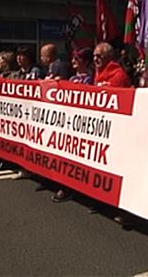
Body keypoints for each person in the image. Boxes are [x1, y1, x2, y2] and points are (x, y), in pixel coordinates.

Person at [51, 47, 95, 202]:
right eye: (73, 59)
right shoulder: (71, 79)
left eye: (77, 59)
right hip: (69, 122)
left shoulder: (91, 79)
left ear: (86, 61)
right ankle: (66, 185)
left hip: (83, 124)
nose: (73, 62)